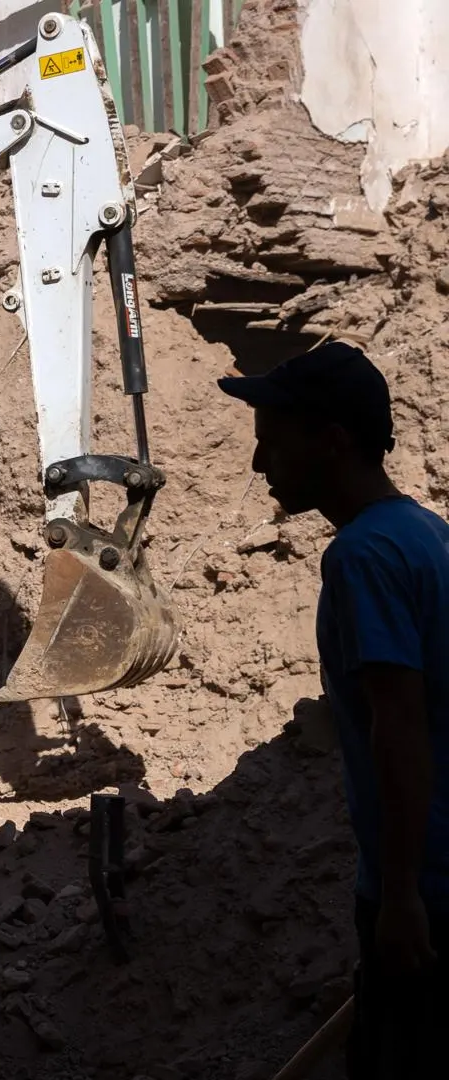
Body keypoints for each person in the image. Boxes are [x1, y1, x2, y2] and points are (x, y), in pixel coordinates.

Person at [220, 341, 449, 1077]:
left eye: (273, 445)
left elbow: (401, 727)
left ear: (333, 441)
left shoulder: (361, 558)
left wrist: (401, 894)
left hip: (426, 886)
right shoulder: (424, 532)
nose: (260, 468)